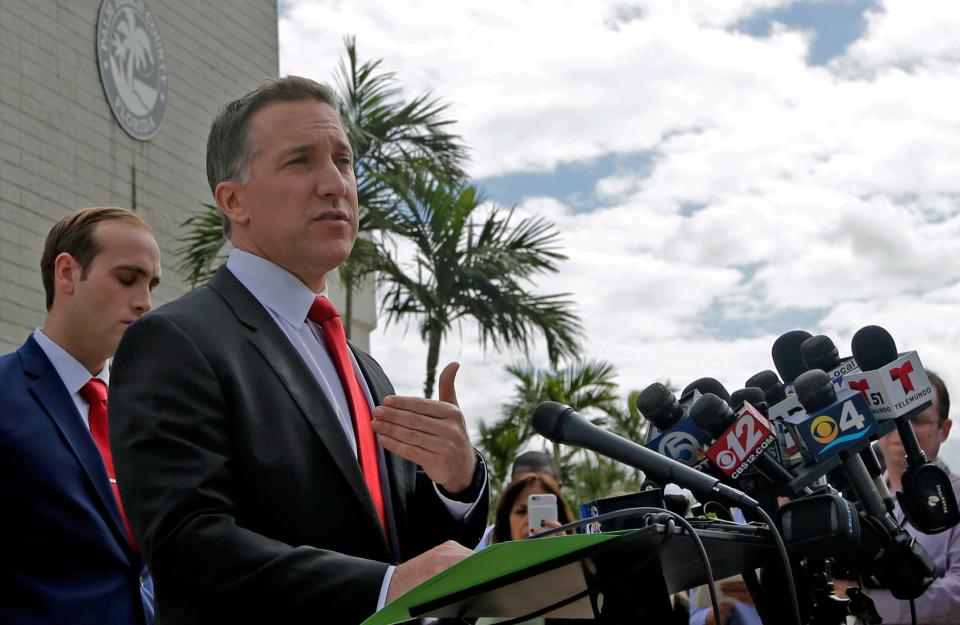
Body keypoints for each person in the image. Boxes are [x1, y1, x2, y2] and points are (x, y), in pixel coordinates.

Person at [108, 76, 489, 625]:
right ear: (234, 200)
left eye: (343, 161)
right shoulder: (175, 342)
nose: (335, 183)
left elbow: (412, 555)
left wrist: (456, 483)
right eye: (301, 162)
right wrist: (381, 587)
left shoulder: (367, 370)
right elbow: (188, 548)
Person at [0, 207, 161, 624]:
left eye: (151, 285)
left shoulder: (150, 412)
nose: (145, 302)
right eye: (127, 279)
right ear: (67, 273)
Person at [834, 370, 960, 624]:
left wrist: (864, 600)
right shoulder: (852, 504)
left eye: (918, 419)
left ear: (944, 430)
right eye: (890, 419)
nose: (903, 430)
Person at [491, 473, 574, 543]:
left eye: (541, 511)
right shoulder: (491, 561)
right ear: (506, 522)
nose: (530, 521)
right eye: (521, 511)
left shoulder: (580, 558)